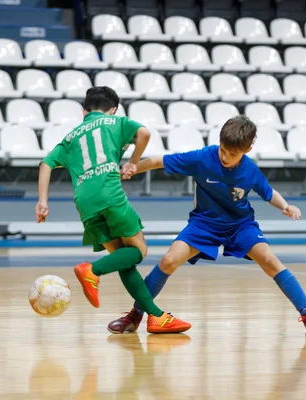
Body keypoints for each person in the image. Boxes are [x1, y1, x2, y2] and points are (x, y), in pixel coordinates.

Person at [108, 115, 306, 338]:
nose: (225, 157)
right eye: (223, 150)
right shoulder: (203, 157)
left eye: (232, 154)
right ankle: (135, 314)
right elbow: (158, 161)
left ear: (247, 149)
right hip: (203, 224)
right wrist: (133, 167)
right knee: (168, 260)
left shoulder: (249, 170)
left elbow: (269, 193)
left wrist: (286, 206)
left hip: (240, 225)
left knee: (270, 260)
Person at [35, 86, 191, 334]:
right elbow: (144, 133)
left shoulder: (71, 136)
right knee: (138, 250)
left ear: (84, 110)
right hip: (110, 194)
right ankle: (92, 270)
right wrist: (131, 162)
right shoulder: (115, 121)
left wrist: (43, 201)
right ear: (114, 108)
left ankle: (156, 316)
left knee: (124, 262)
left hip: (85, 203)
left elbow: (46, 164)